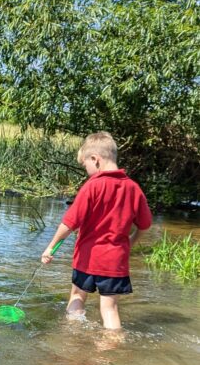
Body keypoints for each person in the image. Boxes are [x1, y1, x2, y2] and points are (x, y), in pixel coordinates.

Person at [41, 131, 152, 330]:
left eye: (85, 165)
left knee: (76, 296)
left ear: (95, 159)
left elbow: (69, 224)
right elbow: (145, 226)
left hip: (88, 258)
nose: (86, 170)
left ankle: (74, 339)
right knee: (110, 309)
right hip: (115, 262)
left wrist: (50, 248)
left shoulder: (92, 186)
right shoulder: (134, 189)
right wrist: (129, 243)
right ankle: (110, 351)